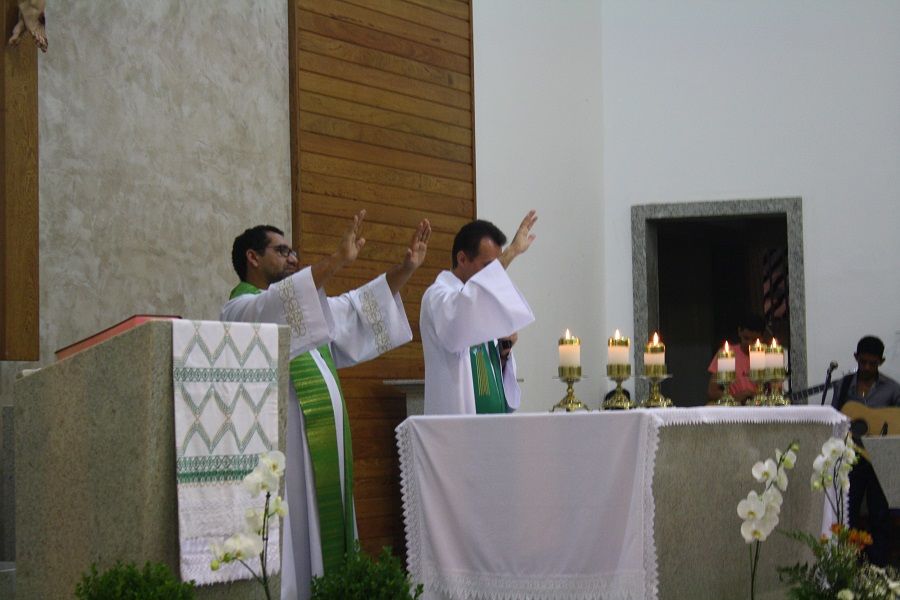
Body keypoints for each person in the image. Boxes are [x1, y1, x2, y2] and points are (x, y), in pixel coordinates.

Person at [221, 211, 430, 600]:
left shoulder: (305, 310)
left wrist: (405, 269)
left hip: (325, 451)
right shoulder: (239, 311)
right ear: (252, 257)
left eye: (293, 251)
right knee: (296, 536)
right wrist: (336, 261)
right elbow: (273, 308)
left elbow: (359, 307)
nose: (293, 258)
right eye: (282, 251)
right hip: (287, 454)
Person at [420, 211, 537, 415]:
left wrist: (503, 354)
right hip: (457, 424)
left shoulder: (482, 299)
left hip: (493, 425)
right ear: (462, 259)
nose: (493, 275)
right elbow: (459, 323)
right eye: (488, 266)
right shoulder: (438, 297)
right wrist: (512, 252)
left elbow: (491, 370)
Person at [831, 335, 900, 566]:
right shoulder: (843, 386)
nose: (868, 367)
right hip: (852, 458)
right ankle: (848, 563)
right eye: (863, 362)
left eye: (873, 363)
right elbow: (834, 418)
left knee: (880, 514)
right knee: (847, 511)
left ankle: (879, 567)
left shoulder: (893, 389)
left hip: (881, 457)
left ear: (881, 361)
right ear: (856, 358)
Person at [706, 313, 767, 404]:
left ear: (762, 338)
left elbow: (776, 389)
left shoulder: (769, 357)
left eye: (754, 340)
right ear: (739, 332)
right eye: (746, 338)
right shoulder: (726, 354)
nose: (749, 344)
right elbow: (712, 392)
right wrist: (735, 397)